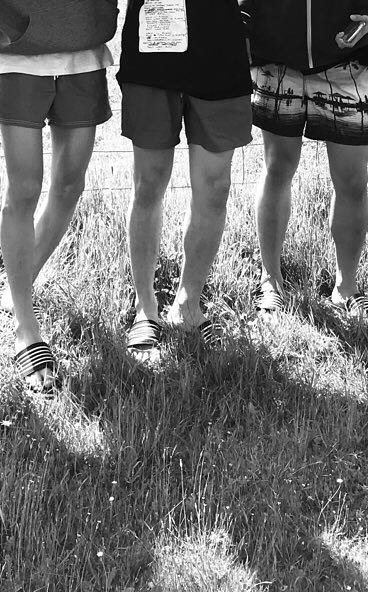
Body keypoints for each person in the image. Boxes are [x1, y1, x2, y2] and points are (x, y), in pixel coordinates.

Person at [0, 0, 119, 393]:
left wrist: (99, 17)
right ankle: (25, 325)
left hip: (84, 54)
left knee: (70, 185)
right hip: (18, 58)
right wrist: (17, 25)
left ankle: (16, 288)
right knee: (23, 189)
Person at [239, 0, 368, 316]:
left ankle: (347, 289)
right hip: (274, 60)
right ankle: (271, 283)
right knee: (277, 168)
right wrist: (243, 19)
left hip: (347, 62)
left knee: (352, 180)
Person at [116, 0, 253, 357]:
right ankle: (145, 308)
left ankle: (188, 304)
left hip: (221, 54)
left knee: (215, 188)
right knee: (148, 183)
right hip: (151, 53)